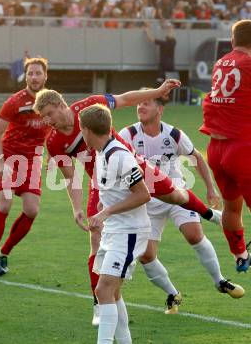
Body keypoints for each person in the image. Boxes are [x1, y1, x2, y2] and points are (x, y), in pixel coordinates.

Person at [33, 86, 222, 325]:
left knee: (176, 196)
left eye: (49, 114)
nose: (48, 121)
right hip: (102, 184)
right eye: (43, 117)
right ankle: (99, 304)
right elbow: (71, 177)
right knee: (95, 236)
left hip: (132, 165)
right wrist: (77, 208)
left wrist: (160, 89)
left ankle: (211, 215)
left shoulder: (89, 107)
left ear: (62, 105)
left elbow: (125, 98)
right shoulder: (54, 141)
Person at [119, 93, 244, 314]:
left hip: (176, 195)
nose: (140, 106)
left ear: (160, 109)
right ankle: (172, 294)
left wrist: (210, 187)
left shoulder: (173, 134)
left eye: (146, 102)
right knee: (147, 255)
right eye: (139, 103)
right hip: (146, 202)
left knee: (194, 235)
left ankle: (220, 281)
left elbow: (196, 157)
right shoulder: (127, 135)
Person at [80, 104, 151, 344]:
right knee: (113, 292)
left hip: (130, 231)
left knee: (103, 290)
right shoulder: (101, 153)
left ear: (88, 130)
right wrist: (103, 208)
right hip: (115, 230)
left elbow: (143, 194)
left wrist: (106, 212)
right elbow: (115, 191)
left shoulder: (119, 156)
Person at [0, 57, 50, 276]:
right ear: (26, 76)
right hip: (10, 157)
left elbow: (60, 128)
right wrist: (0, 161)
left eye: (38, 73)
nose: (34, 77)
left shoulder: (52, 102)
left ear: (45, 76)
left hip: (32, 160)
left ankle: (4, 251)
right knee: (4, 204)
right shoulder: (15, 102)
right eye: (30, 73)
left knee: (32, 210)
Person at [200, 19, 251, 272]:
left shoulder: (222, 62)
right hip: (242, 147)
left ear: (233, 41)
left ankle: (240, 255)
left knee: (232, 206)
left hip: (216, 149)